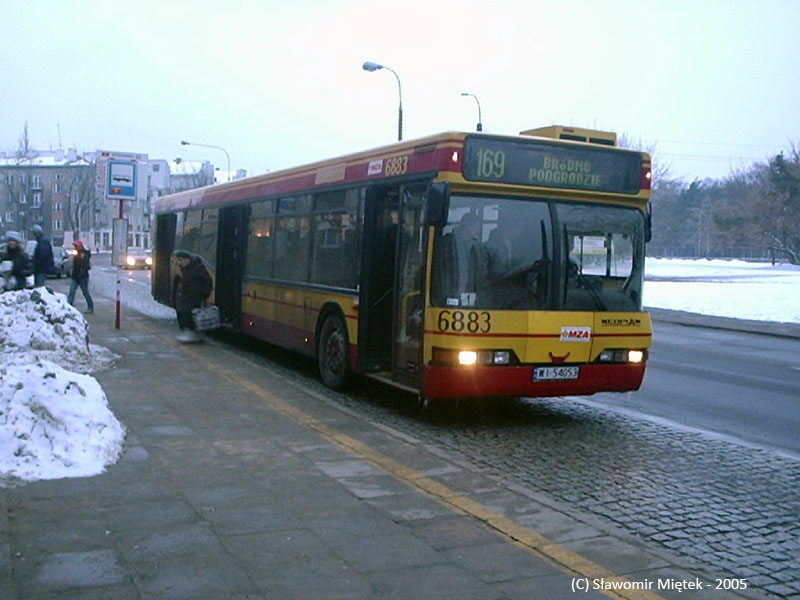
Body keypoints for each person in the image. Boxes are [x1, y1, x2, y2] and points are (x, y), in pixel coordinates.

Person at [173, 250, 213, 342]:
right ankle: (192, 334)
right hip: (187, 297)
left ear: (187, 260)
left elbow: (208, 281)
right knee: (186, 314)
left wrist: (205, 294)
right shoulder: (185, 268)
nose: (179, 263)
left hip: (196, 297)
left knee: (191, 315)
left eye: (181, 260)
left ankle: (192, 334)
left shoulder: (198, 268)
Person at [67, 240, 94, 314]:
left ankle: (90, 307)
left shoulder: (84, 254)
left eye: (76, 246)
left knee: (85, 292)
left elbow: (85, 266)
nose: (75, 247)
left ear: (80, 246)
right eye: (75, 246)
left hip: (83, 277)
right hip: (75, 276)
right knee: (71, 291)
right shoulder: (76, 253)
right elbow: (74, 265)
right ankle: (68, 305)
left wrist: (80, 274)